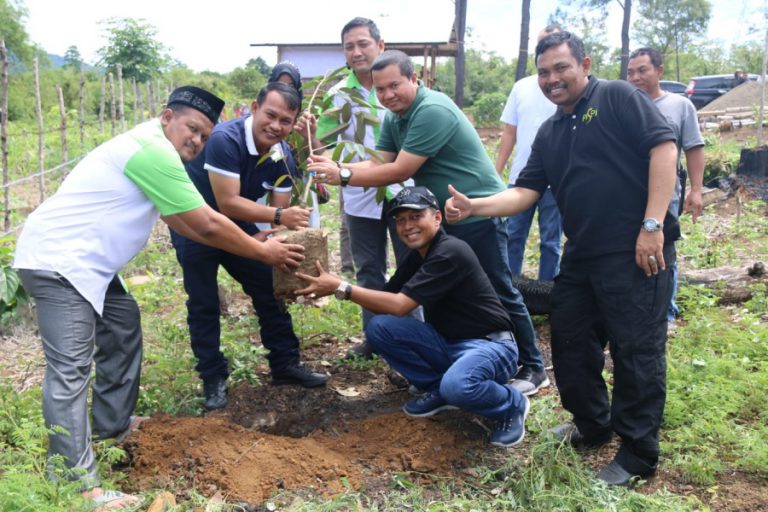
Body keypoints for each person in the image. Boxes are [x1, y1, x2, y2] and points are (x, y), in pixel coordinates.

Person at [13, 86, 305, 509]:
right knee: (71, 370)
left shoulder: (154, 149)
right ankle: (78, 484)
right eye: (191, 129)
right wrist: (262, 251)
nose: (197, 141)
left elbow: (181, 221)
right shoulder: (152, 151)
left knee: (122, 322)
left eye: (205, 135)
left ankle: (112, 427)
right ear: (167, 117)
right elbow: (205, 224)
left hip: (88, 265)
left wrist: (245, 242)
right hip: (60, 262)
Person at [445, 31, 679, 486]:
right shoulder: (551, 131)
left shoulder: (615, 97)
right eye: (544, 72)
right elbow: (524, 191)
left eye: (561, 68)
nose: (552, 79)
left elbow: (663, 148)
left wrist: (652, 225)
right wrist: (475, 206)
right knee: (570, 340)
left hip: (636, 250)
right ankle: (593, 424)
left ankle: (638, 453)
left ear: (584, 64)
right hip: (583, 255)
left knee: (635, 351)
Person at [309, 49, 549, 396]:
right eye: (381, 89)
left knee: (501, 288)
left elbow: (400, 171)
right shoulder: (394, 117)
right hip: (443, 216)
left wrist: (343, 174)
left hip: (477, 210)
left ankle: (534, 366)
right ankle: (451, 363)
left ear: (414, 79)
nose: (388, 95)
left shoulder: (431, 110)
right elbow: (382, 161)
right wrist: (330, 165)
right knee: (439, 293)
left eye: (395, 85)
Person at [294, 186, 529, 447]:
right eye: (401, 220)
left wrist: (340, 287)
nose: (408, 226)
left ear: (437, 218)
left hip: (491, 346)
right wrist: (322, 287)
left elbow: (399, 306)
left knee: (459, 386)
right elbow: (386, 299)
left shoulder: (450, 252)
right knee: (380, 327)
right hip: (449, 344)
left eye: (416, 217)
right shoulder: (418, 256)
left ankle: (511, 404)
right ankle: (439, 388)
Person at [170, 82, 328, 413]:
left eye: (286, 121)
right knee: (204, 301)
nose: (276, 126)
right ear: (254, 109)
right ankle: (212, 377)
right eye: (270, 115)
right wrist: (281, 215)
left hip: (237, 222)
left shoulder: (282, 153)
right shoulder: (224, 140)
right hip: (197, 221)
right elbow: (227, 204)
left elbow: (279, 208)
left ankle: (285, 364)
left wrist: (276, 233)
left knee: (267, 286)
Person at [315, 18, 414, 354]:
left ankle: (416, 333)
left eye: (363, 44)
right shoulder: (337, 95)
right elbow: (321, 143)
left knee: (412, 263)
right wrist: (308, 131)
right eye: (349, 47)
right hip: (359, 194)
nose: (357, 52)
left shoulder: (399, 86)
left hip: (404, 189)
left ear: (380, 45)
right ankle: (376, 338)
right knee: (369, 267)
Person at [628, 47, 705, 322]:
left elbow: (694, 148)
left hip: (666, 196)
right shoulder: (624, 105)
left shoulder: (679, 106)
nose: (635, 77)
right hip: (629, 196)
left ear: (659, 71)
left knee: (664, 251)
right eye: (631, 72)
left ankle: (667, 311)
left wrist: (696, 190)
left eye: (643, 70)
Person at [496, 24, 563, 281]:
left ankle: (547, 292)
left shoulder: (565, 87)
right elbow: (510, 132)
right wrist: (497, 171)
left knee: (551, 241)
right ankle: (512, 290)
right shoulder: (521, 87)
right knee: (513, 235)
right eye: (542, 43)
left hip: (555, 180)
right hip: (521, 177)